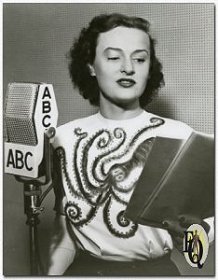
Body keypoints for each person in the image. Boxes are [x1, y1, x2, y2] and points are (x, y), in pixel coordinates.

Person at [47, 13, 214, 276]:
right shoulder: (63, 138)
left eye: (140, 58)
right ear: (90, 65)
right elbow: (63, 232)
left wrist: (195, 236)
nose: (128, 67)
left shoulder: (181, 136)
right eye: (114, 57)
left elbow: (202, 229)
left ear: (150, 68)